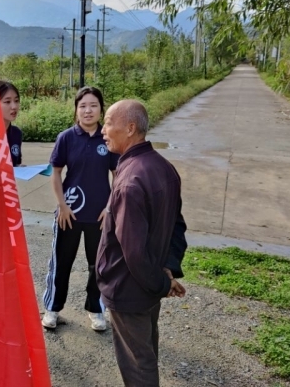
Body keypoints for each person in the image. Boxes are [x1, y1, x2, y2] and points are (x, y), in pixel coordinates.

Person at [97, 99, 187, 386]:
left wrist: (162, 283)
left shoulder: (130, 181)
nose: (103, 130)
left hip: (130, 289)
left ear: (130, 128)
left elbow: (133, 253)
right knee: (146, 352)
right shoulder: (163, 167)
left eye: (108, 122)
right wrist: (167, 270)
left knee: (139, 365)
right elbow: (177, 226)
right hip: (149, 284)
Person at [41, 86, 120, 331]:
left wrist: (110, 208)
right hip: (69, 214)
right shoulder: (66, 137)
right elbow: (55, 173)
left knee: (99, 265)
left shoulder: (108, 138)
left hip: (100, 215)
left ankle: (96, 310)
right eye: (83, 106)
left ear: (101, 109)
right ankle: (52, 309)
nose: (88, 110)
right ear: (76, 110)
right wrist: (62, 205)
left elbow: (118, 175)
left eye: (93, 105)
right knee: (61, 263)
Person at [0, 80, 23, 166]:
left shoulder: (16, 133)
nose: (14, 106)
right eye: (7, 102)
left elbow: (16, 163)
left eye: (16, 100)